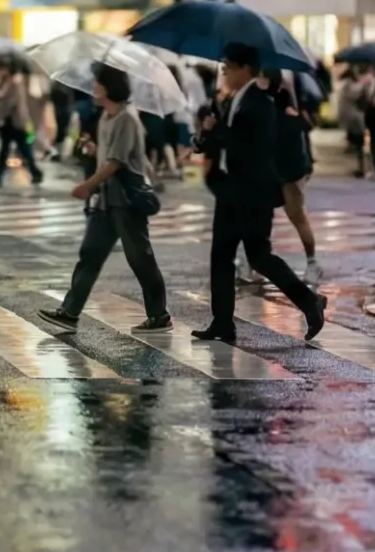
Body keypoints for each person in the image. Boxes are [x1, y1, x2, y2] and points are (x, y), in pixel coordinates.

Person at [192, 43, 326, 345]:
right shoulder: (235, 100)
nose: (224, 70)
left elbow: (246, 146)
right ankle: (223, 322)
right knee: (222, 257)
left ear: (244, 69)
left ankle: (309, 302)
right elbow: (223, 138)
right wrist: (205, 135)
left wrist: (215, 132)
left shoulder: (259, 104)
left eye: (228, 66)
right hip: (232, 191)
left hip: (252, 193)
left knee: (260, 257)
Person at [36, 63, 170, 331]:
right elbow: (108, 155)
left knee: (140, 259)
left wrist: (87, 185)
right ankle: (69, 311)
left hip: (127, 201)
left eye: (98, 83)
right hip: (106, 200)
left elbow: (116, 162)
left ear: (109, 87)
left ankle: (160, 315)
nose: (93, 87)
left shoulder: (126, 119)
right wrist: (92, 148)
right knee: (90, 255)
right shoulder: (107, 117)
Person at [268, 71, 322, 283]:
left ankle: (312, 262)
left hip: (290, 171)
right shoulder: (290, 113)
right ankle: (254, 260)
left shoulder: (284, 113)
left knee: (296, 215)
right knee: (266, 217)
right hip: (282, 170)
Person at [0, 64, 41, 186]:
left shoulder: (14, 83)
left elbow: (12, 102)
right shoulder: (9, 82)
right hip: (11, 122)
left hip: (13, 122)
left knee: (17, 150)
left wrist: (0, 112)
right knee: (14, 150)